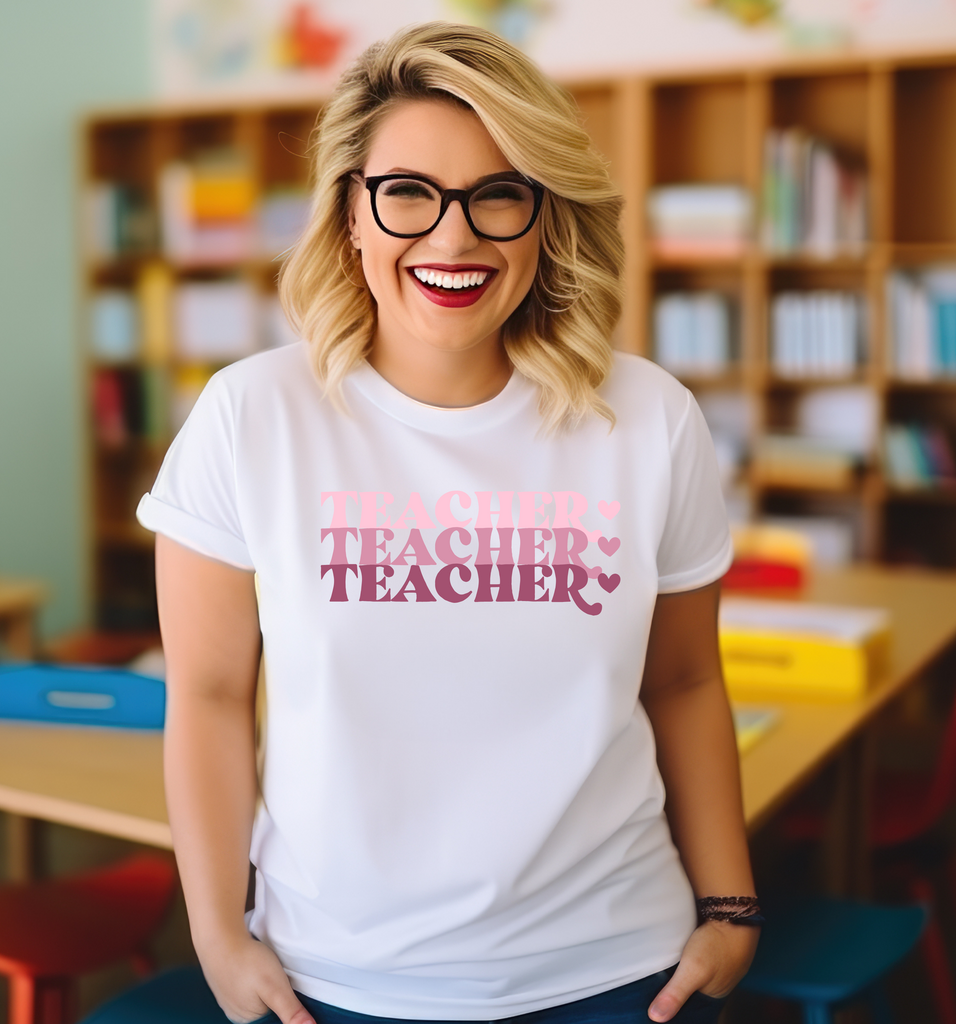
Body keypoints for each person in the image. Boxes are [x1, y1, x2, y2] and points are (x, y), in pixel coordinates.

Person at [137, 22, 759, 1024]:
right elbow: (207, 694)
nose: (452, 237)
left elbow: (684, 679)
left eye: (498, 194)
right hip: (338, 981)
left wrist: (730, 908)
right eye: (409, 193)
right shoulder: (252, 417)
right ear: (350, 212)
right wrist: (215, 931)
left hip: (616, 972)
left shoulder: (647, 418)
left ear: (544, 215)